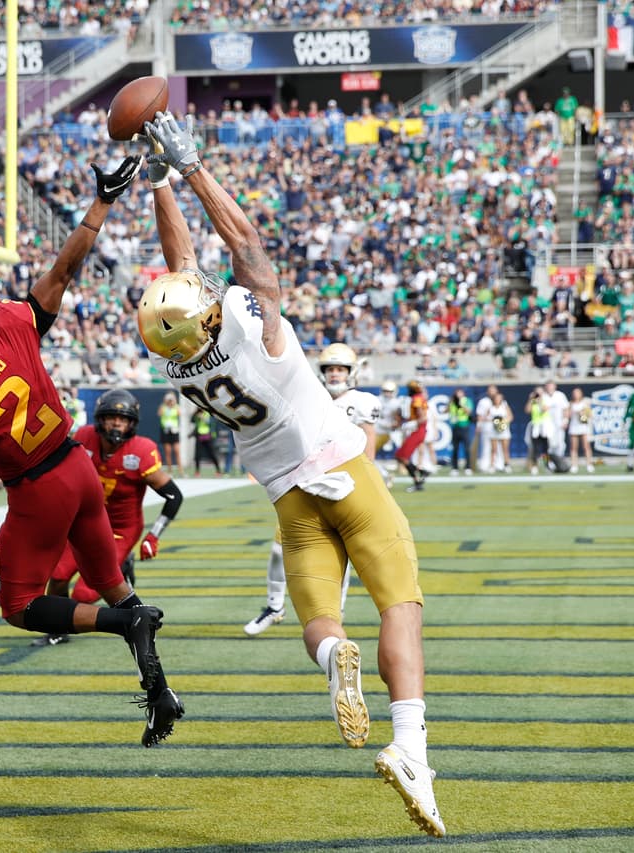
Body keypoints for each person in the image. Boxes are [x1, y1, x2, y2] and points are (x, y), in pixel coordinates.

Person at [138, 111, 443, 835]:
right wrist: (190, 167)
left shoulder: (178, 362)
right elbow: (243, 246)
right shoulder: (252, 326)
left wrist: (155, 187)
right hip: (342, 469)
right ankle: (410, 746)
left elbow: (179, 274)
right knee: (400, 604)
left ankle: (338, 657)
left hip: (288, 500)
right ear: (210, 314)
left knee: (320, 620)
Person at [0, 155, 186, 749]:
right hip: (77, 465)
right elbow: (62, 272)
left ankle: (124, 622)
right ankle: (160, 695)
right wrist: (99, 204)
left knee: (22, 607)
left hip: (39, 492)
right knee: (114, 583)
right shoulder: (4, 323)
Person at [245, 343, 378, 637]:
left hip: (345, 484)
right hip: (305, 482)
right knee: (280, 549)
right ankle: (274, 606)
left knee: (341, 553)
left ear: (351, 371)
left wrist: (368, 479)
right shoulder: (311, 397)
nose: (334, 374)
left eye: (340, 369)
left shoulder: (361, 402)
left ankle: (336, 613)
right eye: (330, 369)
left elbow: (368, 441)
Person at [40, 389, 185, 646]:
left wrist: (154, 535)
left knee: (84, 593)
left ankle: (123, 565)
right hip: (83, 524)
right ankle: (58, 628)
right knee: (59, 576)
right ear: (100, 419)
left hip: (120, 529)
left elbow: (173, 496)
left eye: (124, 419)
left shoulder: (141, 451)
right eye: (112, 417)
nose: (117, 423)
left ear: (132, 424)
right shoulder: (84, 437)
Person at [394, 380, 431, 492]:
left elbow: (422, 418)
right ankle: (421, 474)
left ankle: (418, 480)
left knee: (402, 456)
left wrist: (411, 424)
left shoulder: (417, 399)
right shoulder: (419, 397)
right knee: (400, 456)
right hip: (419, 430)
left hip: (417, 430)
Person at [567, 387, 595, 473]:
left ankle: (589, 465)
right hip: (574, 427)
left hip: (583, 427)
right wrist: (572, 412)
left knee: (586, 446)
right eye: (574, 393)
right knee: (573, 448)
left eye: (577, 393)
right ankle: (574, 465)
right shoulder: (570, 404)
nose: (576, 395)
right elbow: (567, 415)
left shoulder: (585, 403)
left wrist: (583, 413)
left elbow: (590, 415)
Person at [446, 389, 473, 476]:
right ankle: (455, 468)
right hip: (455, 427)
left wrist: (461, 405)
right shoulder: (452, 402)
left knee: (466, 448)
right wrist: (450, 403)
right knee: (455, 448)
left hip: (464, 426)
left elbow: (469, 412)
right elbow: (445, 411)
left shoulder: (467, 401)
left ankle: (468, 467)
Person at [526, 387, 551, 475]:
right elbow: (527, 410)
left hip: (544, 427)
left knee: (545, 449)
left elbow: (544, 409)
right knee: (535, 449)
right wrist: (530, 399)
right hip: (535, 427)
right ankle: (534, 466)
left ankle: (546, 465)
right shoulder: (533, 401)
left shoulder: (546, 399)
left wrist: (540, 400)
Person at [190, 405, 222, 475]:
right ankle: (197, 471)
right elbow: (192, 420)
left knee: (212, 454)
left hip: (207, 436)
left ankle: (218, 470)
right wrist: (195, 413)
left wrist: (203, 418)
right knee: (197, 455)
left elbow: (212, 423)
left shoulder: (208, 413)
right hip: (199, 436)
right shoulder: (197, 413)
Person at [488, 388, 512, 472]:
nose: (498, 400)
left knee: (505, 449)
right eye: (496, 398)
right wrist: (495, 422)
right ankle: (492, 466)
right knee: (493, 449)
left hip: (504, 430)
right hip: (494, 431)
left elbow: (510, 417)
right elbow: (487, 418)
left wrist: (502, 424)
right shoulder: (491, 408)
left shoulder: (504, 406)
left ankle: (507, 465)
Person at [157, 391, 182, 474]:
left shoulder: (176, 407)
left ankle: (180, 471)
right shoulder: (163, 407)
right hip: (166, 431)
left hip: (174, 431)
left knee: (177, 451)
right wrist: (165, 403)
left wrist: (174, 404)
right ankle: (170, 470)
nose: (170, 401)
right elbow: (159, 414)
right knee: (168, 452)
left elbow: (179, 413)